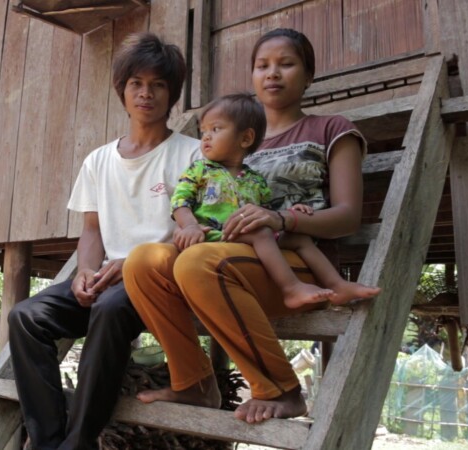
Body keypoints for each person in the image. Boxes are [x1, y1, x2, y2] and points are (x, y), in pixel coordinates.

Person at [123, 28, 380, 425]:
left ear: (309, 75)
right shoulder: (225, 140)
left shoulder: (331, 129)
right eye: (263, 66)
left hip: (292, 262)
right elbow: (187, 195)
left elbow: (348, 215)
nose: (272, 74)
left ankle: (281, 389)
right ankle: (192, 381)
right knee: (143, 261)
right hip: (224, 256)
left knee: (198, 263)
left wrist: (280, 217)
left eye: (286, 64)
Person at [8, 32, 200, 450]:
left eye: (158, 85)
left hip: (160, 283)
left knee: (111, 307)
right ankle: (47, 441)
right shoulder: (98, 160)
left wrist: (130, 267)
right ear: (123, 90)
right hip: (108, 279)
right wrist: (87, 273)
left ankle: (77, 444)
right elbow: (92, 231)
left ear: (173, 94)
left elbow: (201, 236)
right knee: (26, 317)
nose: (146, 94)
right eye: (136, 84)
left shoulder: (193, 154)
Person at [172, 92, 380, 308]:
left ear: (246, 138)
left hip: (246, 236)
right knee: (260, 233)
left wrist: (294, 209)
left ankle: (337, 284)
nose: (205, 137)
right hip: (215, 233)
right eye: (203, 131)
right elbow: (180, 201)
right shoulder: (199, 170)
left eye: (215, 129)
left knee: (300, 239)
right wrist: (189, 226)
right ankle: (291, 288)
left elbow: (267, 211)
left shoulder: (255, 179)